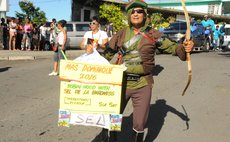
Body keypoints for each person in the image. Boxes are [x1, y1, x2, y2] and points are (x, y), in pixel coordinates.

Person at [85, 0, 193, 142]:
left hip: (143, 84)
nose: (136, 14)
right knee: (112, 116)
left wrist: (185, 47)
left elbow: (173, 48)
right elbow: (107, 54)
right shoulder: (122, 33)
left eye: (140, 11)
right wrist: (90, 54)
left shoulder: (153, 34)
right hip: (121, 83)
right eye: (133, 11)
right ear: (129, 14)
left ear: (145, 14)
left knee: (140, 123)